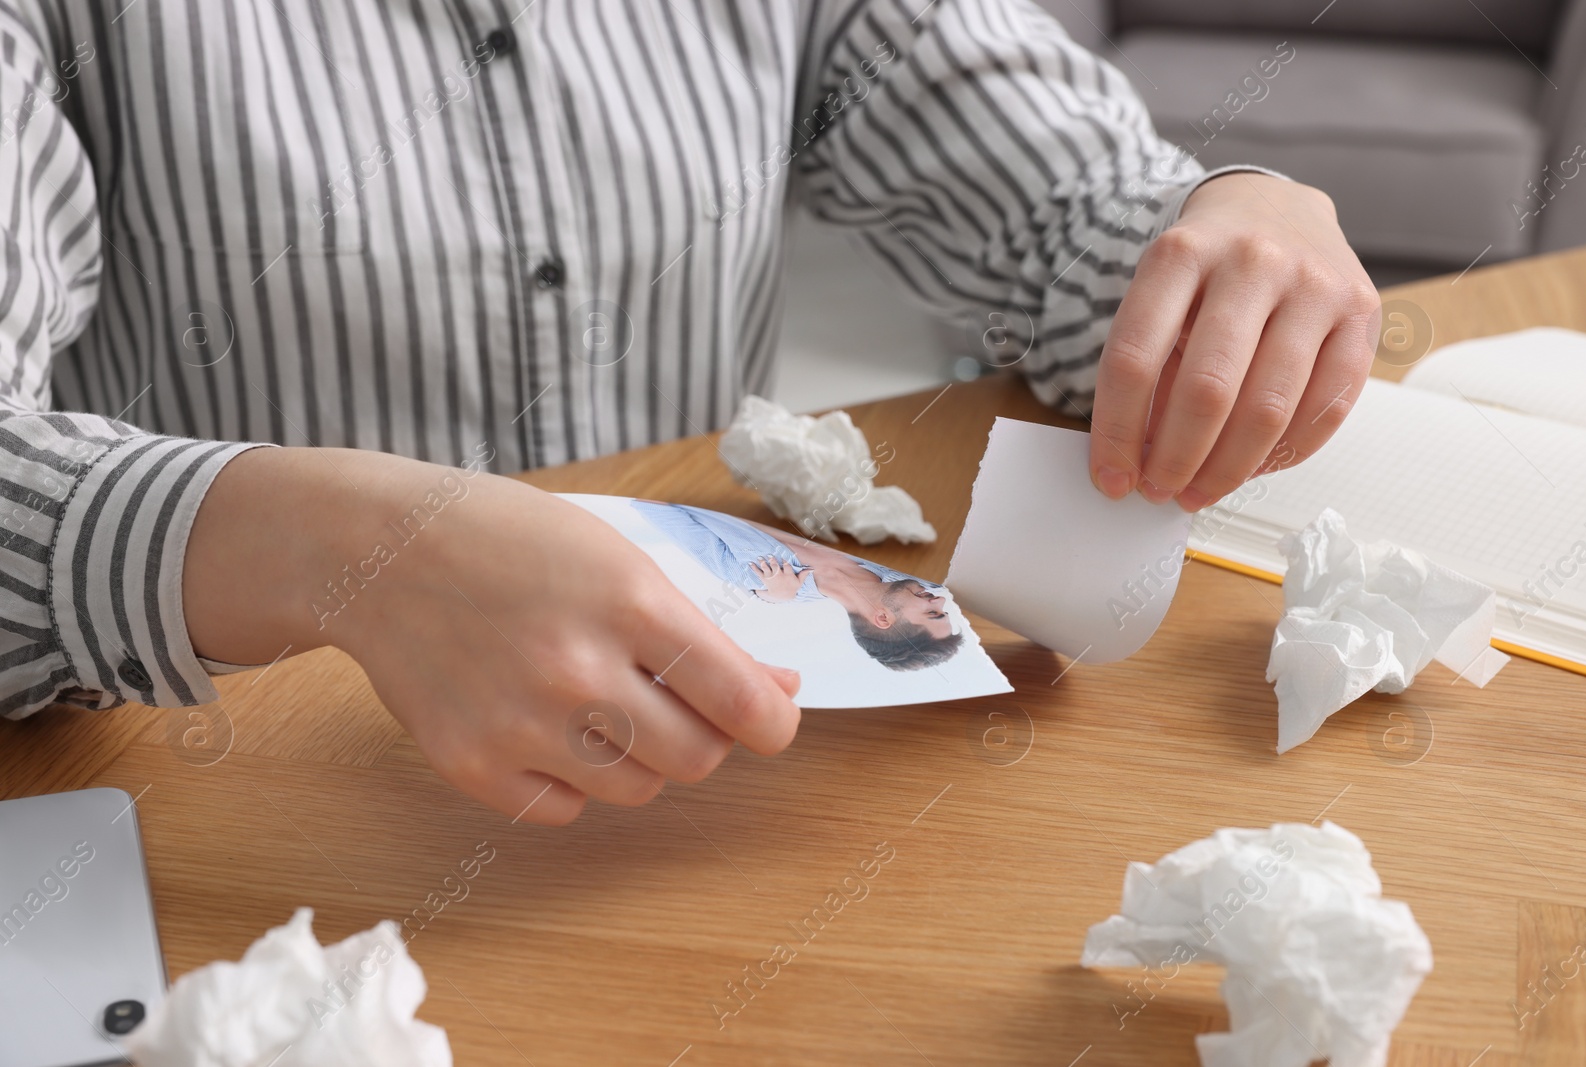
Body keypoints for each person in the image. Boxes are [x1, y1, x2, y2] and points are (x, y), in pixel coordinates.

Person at [0, 2, 1378, 826]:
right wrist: (338, 551)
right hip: (248, 797)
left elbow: (1061, 212)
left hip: (707, 781)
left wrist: (1220, 237)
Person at [631, 500, 962, 670]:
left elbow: (655, 506)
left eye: (932, 614)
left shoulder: (755, 576)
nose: (940, 601)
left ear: (883, 619)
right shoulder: (913, 560)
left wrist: (764, 593)